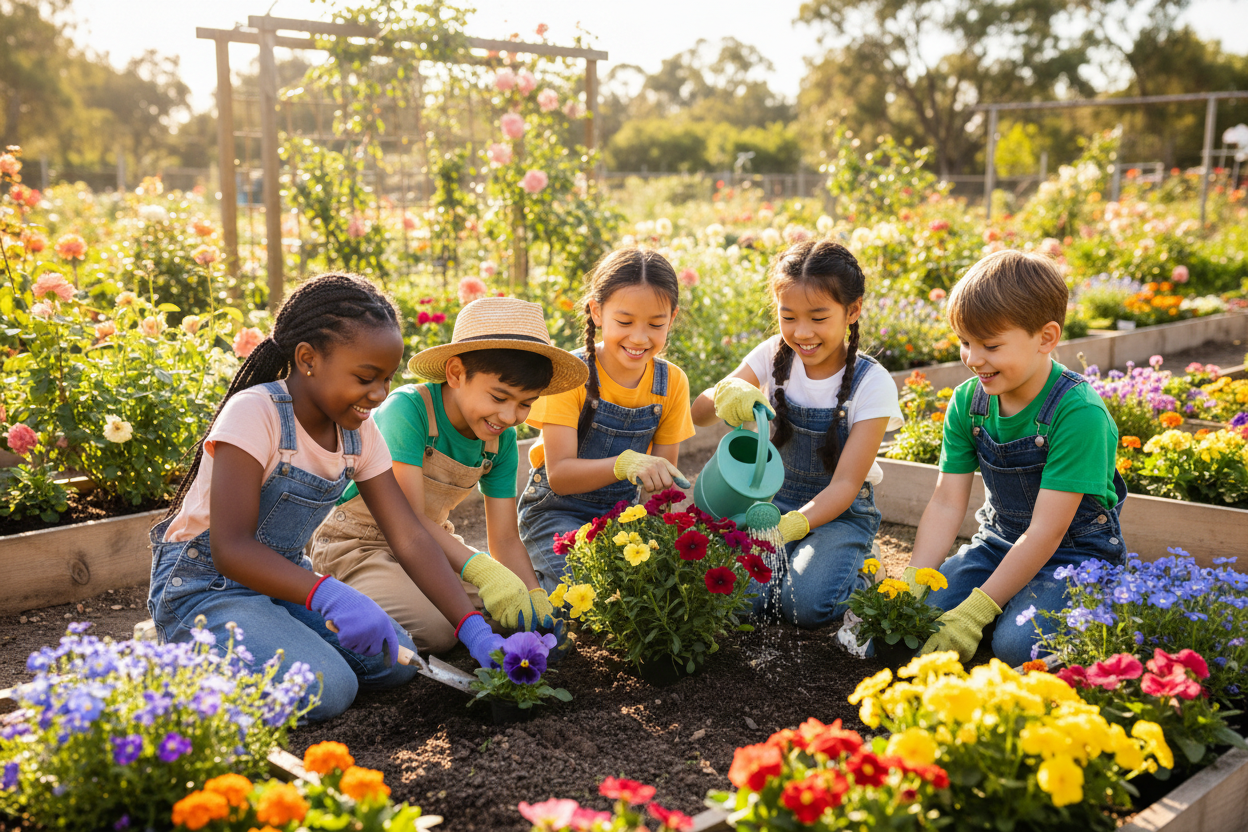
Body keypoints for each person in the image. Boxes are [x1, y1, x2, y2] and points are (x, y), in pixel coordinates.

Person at [148, 274, 504, 723]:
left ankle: (264, 639)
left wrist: (471, 629)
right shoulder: (255, 413)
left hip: (283, 583)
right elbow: (231, 549)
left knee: (396, 661)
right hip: (204, 588)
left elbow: (409, 535)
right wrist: (328, 595)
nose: (378, 395)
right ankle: (178, 660)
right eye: (365, 378)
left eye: (387, 379)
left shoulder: (358, 434)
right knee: (325, 688)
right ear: (308, 359)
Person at [308, 297, 588, 652]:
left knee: (505, 615)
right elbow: (407, 520)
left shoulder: (500, 442)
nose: (509, 415)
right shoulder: (409, 411)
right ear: (456, 373)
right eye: (499, 396)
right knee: (436, 631)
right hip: (359, 544)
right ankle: (319, 611)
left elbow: (503, 538)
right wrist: (483, 571)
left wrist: (532, 595)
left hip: (431, 546)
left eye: (525, 403)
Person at [904, 249, 1127, 667]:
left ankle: (1094, 606)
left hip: (1074, 555)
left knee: (1017, 647)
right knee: (917, 618)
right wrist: (914, 580)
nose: (972, 359)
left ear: (1046, 338)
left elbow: (1046, 531)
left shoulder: (1079, 414)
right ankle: (1009, 598)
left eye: (990, 345)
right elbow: (947, 502)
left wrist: (977, 609)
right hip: (999, 542)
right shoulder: (969, 401)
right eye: (964, 342)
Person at [692, 240, 902, 630]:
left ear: (852, 311)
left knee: (804, 606)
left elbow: (844, 486)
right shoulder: (772, 356)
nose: (802, 332)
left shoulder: (873, 384)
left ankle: (864, 564)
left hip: (841, 513)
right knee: (744, 600)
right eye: (789, 317)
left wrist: (792, 528)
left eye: (818, 317)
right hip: (774, 503)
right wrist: (724, 392)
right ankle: (809, 559)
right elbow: (698, 415)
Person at [518, 248, 696, 592]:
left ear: (671, 318)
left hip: (620, 518)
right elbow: (560, 477)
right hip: (555, 515)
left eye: (656, 324)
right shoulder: (570, 375)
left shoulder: (671, 382)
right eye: (625, 322)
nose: (639, 338)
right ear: (597, 312)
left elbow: (662, 488)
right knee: (589, 594)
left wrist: (662, 545)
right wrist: (624, 464)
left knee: (657, 592)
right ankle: (525, 577)